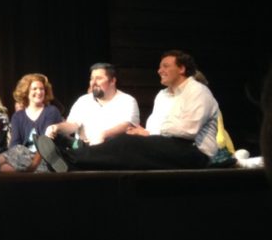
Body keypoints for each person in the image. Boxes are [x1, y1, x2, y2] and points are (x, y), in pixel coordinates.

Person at [38, 50, 218, 171]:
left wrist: (155, 131)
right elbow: (155, 127)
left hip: (195, 153)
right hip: (170, 146)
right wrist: (149, 132)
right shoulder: (163, 95)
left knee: (125, 143)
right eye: (160, 66)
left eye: (165, 66)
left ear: (182, 68)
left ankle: (70, 159)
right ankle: (69, 155)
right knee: (127, 143)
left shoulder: (197, 91)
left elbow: (187, 130)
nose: (159, 70)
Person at [43, 63, 140, 147]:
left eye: (99, 78)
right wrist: (56, 127)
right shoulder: (83, 101)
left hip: (114, 150)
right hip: (85, 150)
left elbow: (127, 125)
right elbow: (72, 125)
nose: (93, 82)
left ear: (112, 81)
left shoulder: (127, 100)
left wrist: (103, 134)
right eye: (91, 78)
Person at [0, 73, 63, 173]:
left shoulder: (51, 111)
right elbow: (14, 145)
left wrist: (33, 166)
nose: (39, 92)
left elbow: (47, 145)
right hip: (22, 159)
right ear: (26, 92)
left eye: (42, 89)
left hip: (45, 160)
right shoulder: (18, 116)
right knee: (4, 168)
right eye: (34, 89)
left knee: (19, 150)